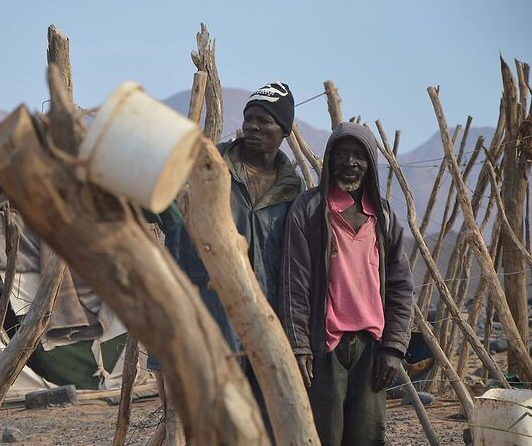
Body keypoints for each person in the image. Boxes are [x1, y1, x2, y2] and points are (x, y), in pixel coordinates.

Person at [148, 81, 304, 435]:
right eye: (249, 118)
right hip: (208, 320)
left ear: (284, 130)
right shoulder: (207, 168)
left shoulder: (294, 192)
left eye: (264, 120)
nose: (252, 127)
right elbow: (161, 208)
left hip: (267, 327)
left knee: (261, 424)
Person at [278, 122, 413, 445]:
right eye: (342, 154)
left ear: (369, 164)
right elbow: (294, 283)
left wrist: (394, 347)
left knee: (367, 435)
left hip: (372, 346)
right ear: (329, 159)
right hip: (324, 345)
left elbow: (400, 285)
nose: (350, 162)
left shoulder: (383, 216)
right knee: (323, 434)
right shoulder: (309, 210)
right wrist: (299, 345)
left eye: (359, 156)